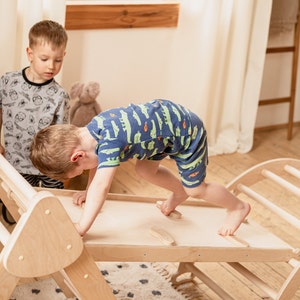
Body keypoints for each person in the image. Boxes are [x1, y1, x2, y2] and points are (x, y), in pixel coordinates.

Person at [30, 99, 251, 236]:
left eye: (79, 170)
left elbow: (102, 186)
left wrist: (81, 226)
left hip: (186, 132)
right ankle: (178, 190)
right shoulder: (90, 132)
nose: (85, 172)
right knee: (144, 170)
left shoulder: (109, 141)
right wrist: (88, 192)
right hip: (159, 133)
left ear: (77, 156)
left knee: (197, 189)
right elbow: (96, 169)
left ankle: (237, 207)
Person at [0, 20, 70, 189]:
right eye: (44, 59)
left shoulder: (60, 96)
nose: (51, 66)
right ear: (30, 54)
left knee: (50, 205)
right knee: (14, 206)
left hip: (49, 168)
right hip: (14, 164)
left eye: (58, 60)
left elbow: (61, 137)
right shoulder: (8, 82)